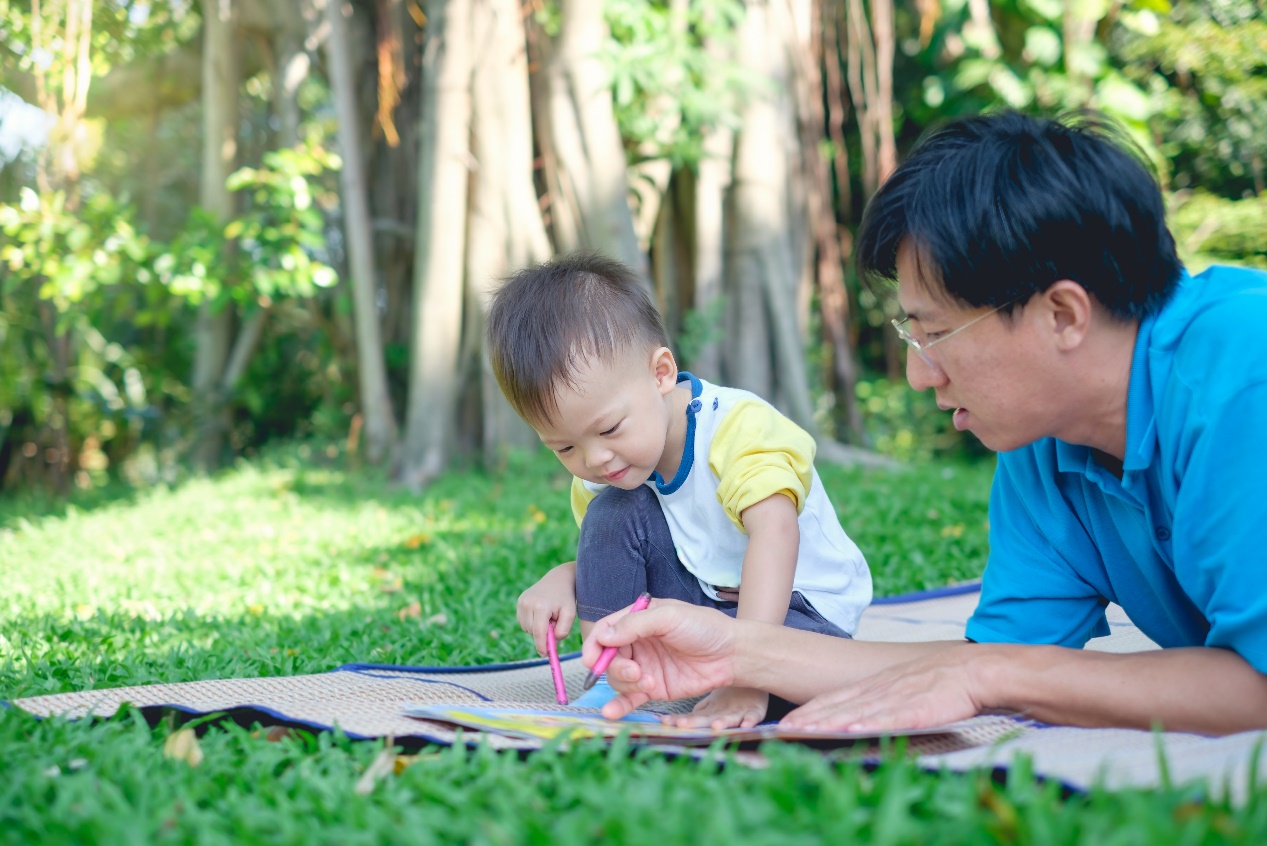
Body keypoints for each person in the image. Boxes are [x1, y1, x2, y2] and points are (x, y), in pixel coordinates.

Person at [580, 109, 1267, 736]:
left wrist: (986, 677)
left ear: (1062, 315)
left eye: (931, 332)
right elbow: (1005, 658)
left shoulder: (1242, 381)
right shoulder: (1044, 444)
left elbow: (1253, 689)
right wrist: (737, 652)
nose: (917, 373)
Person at [485, 252, 872, 728]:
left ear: (661, 373)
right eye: (564, 446)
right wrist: (565, 577)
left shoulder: (737, 429)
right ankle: (615, 673)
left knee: (796, 691)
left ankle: (749, 678)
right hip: (708, 599)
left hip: (800, 608)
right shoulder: (605, 474)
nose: (594, 459)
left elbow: (776, 536)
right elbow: (620, 560)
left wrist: (747, 675)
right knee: (612, 513)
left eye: (608, 429)